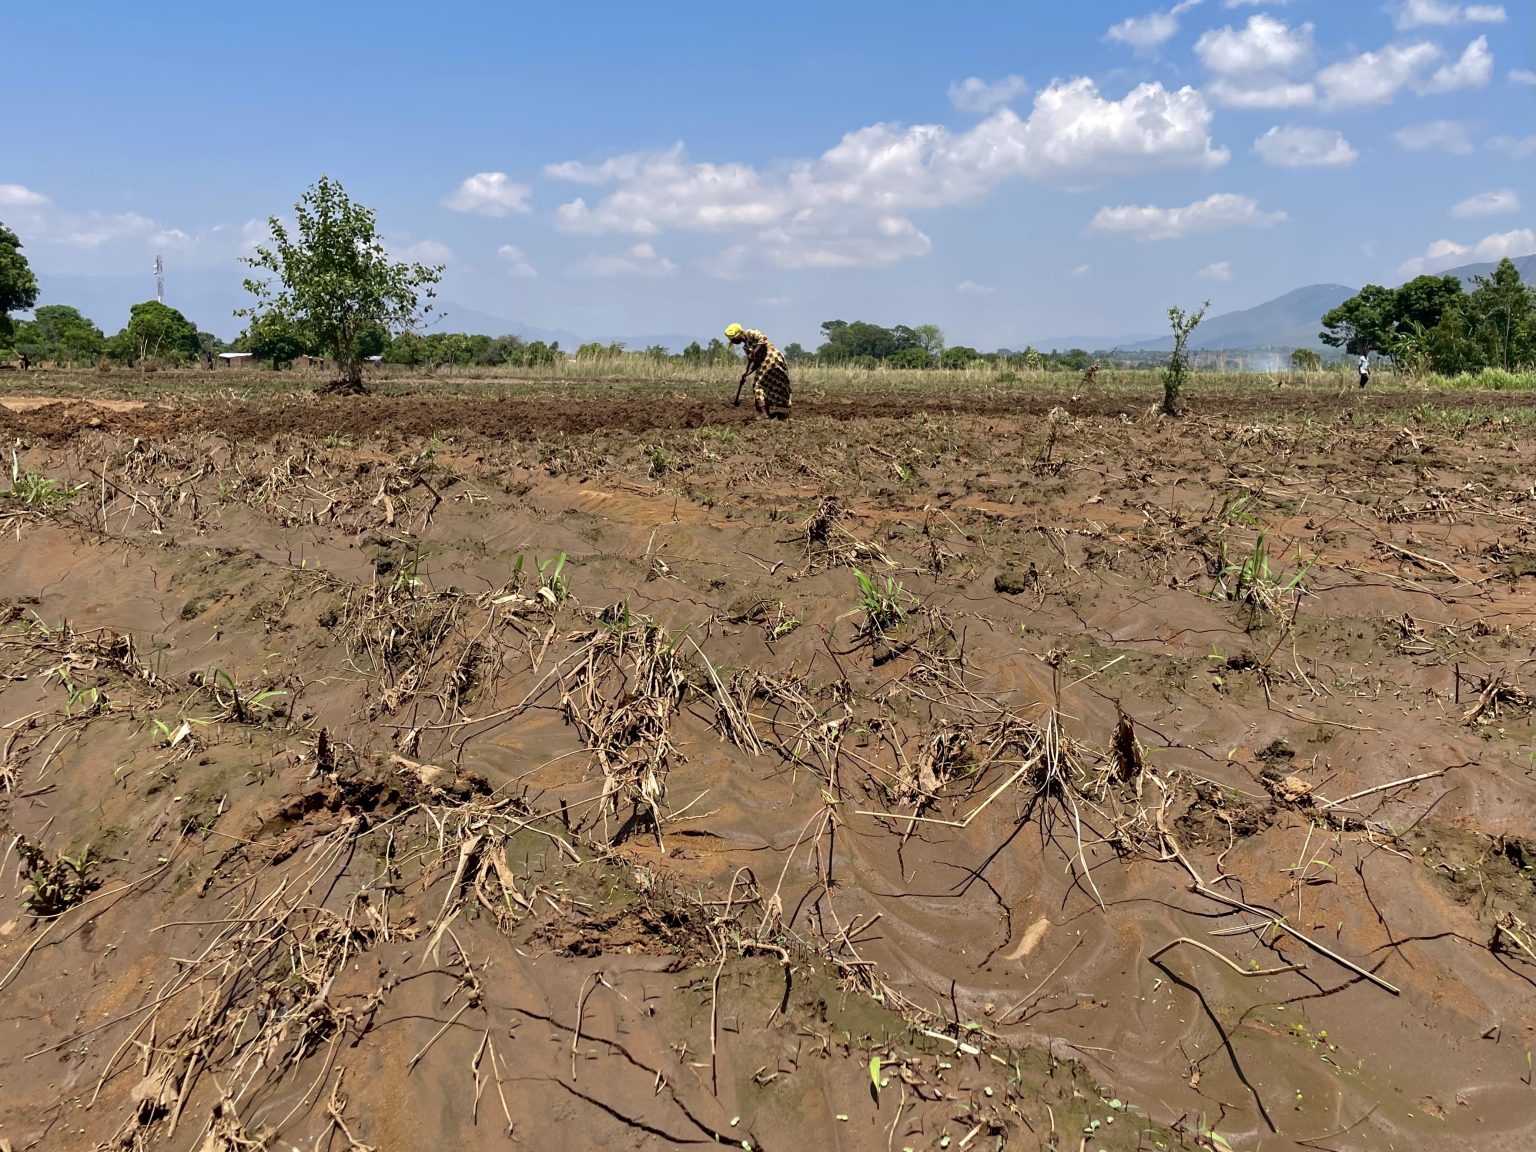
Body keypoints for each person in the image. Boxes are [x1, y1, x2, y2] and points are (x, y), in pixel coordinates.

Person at [725, 323, 792, 419]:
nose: (733, 342)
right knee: (766, 384)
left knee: (757, 385)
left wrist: (755, 351)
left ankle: (763, 413)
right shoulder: (746, 347)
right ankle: (769, 411)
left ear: (738, 335)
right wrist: (745, 374)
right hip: (767, 362)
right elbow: (754, 363)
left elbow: (763, 338)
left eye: (733, 339)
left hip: (771, 357)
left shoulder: (750, 332)